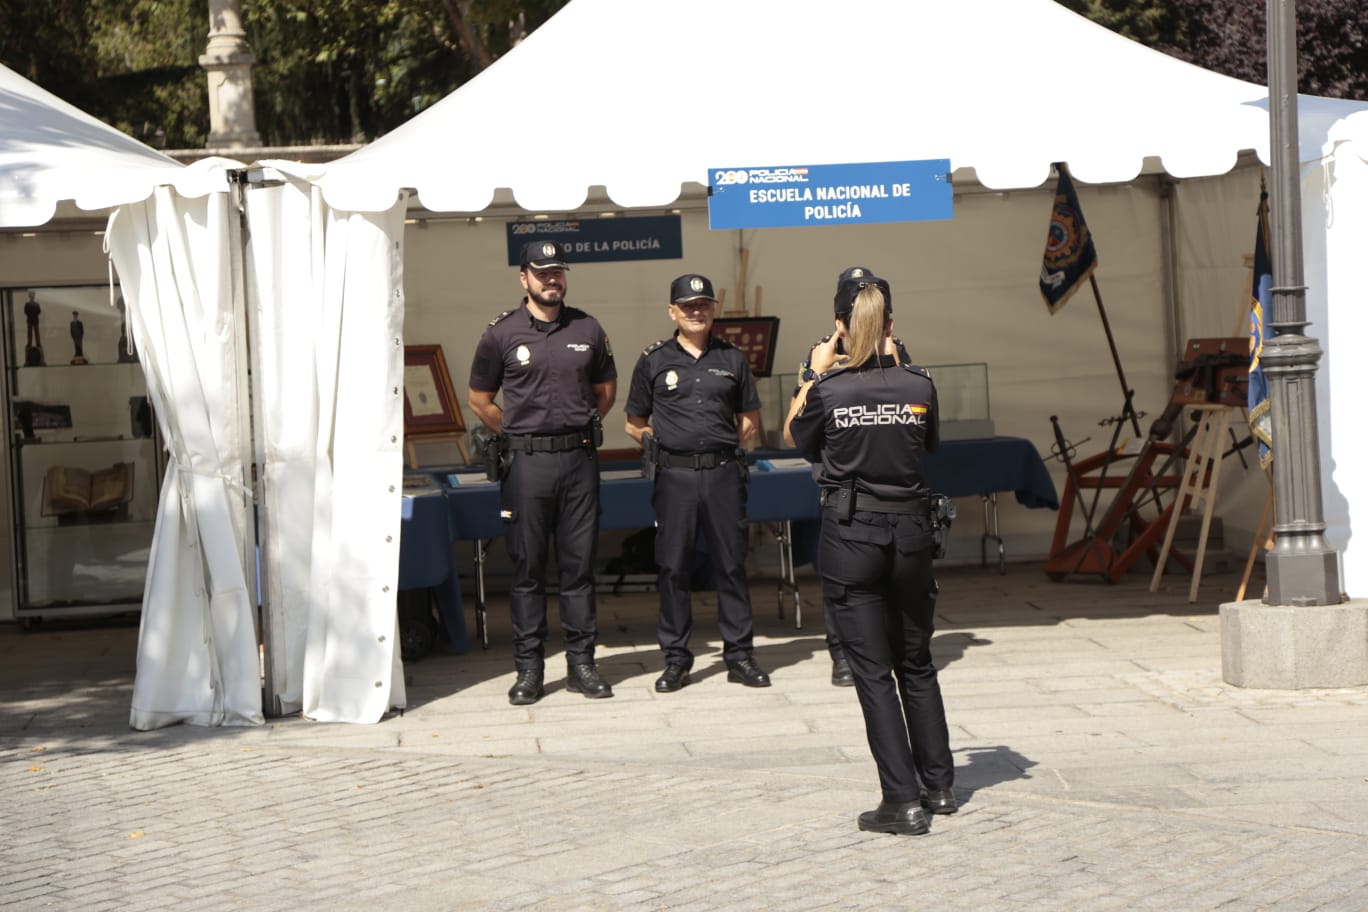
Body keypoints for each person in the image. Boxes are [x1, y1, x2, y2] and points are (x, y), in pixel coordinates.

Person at [784, 272, 956, 836]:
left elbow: (794, 434)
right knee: (917, 662)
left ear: (839, 327)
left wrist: (814, 370)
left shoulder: (830, 390)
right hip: (910, 533)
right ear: (890, 326)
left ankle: (901, 800)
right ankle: (939, 785)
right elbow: (927, 448)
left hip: (854, 533)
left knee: (872, 672)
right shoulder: (920, 385)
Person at [468, 240, 618, 706]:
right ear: (524, 278)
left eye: (558, 272)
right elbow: (480, 400)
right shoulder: (500, 334)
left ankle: (581, 665)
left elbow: (606, 392)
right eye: (542, 272)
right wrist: (516, 431)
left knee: (578, 569)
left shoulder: (588, 328)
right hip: (526, 464)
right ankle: (530, 669)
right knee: (528, 570)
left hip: (578, 461)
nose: (551, 279)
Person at [624, 274, 770, 693]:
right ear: (673, 312)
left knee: (730, 564)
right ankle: (675, 659)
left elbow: (749, 419)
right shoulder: (653, 360)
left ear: (713, 310)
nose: (695, 311)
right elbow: (634, 423)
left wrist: (719, 448)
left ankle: (740, 656)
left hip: (723, 474)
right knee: (673, 568)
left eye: (703, 304)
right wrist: (663, 446)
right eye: (687, 306)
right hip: (676, 478)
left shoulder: (733, 358)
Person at [795, 266, 912, 688]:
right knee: (841, 583)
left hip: (888, 490)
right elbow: (798, 427)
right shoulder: (822, 356)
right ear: (839, 319)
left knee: (887, 583)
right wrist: (818, 374)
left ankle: (886, 648)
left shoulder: (899, 354)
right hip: (841, 488)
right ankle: (841, 654)